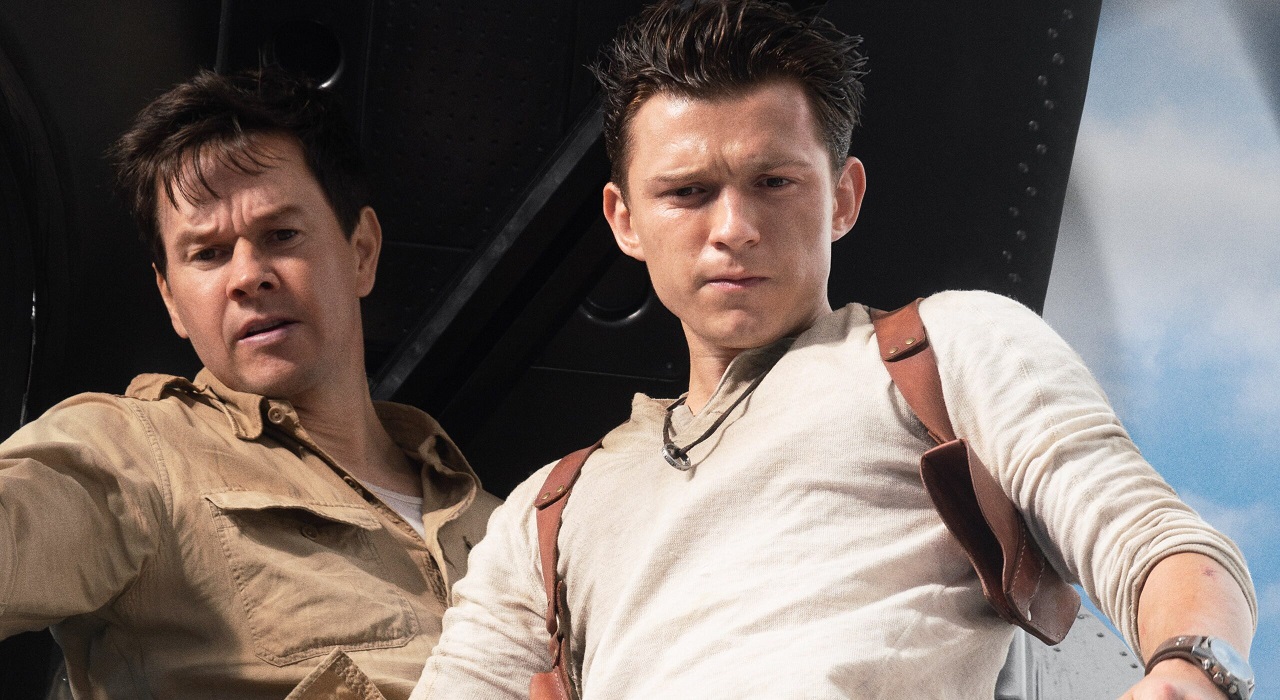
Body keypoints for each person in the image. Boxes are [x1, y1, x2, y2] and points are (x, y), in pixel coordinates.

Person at [413, 1, 1256, 699]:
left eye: (773, 183)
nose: (733, 228)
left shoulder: (943, 349)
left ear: (843, 198)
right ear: (624, 220)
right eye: (688, 193)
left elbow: (1151, 539)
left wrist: (1191, 668)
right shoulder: (547, 512)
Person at [0, 69, 500, 699]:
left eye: (281, 236)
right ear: (171, 299)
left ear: (362, 252)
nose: (247, 276)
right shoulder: (130, 455)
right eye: (207, 253)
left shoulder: (511, 524)